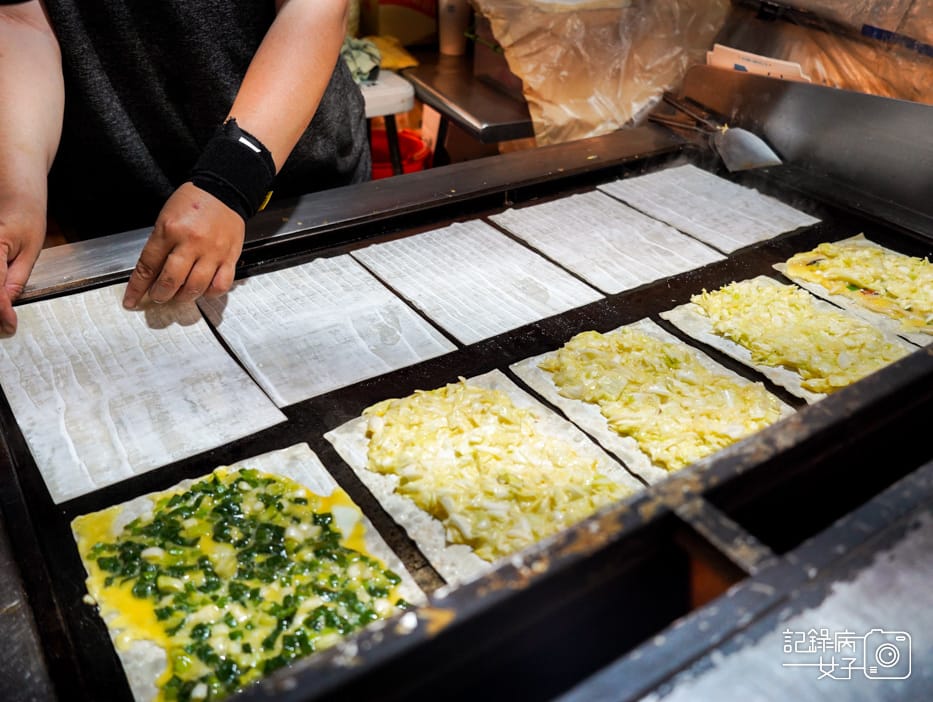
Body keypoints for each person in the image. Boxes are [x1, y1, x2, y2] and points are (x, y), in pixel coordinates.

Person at [0, 0, 371, 335]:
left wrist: (230, 177)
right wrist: (18, 189)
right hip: (119, 211)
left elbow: (314, 7)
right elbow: (20, 21)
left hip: (294, 191)